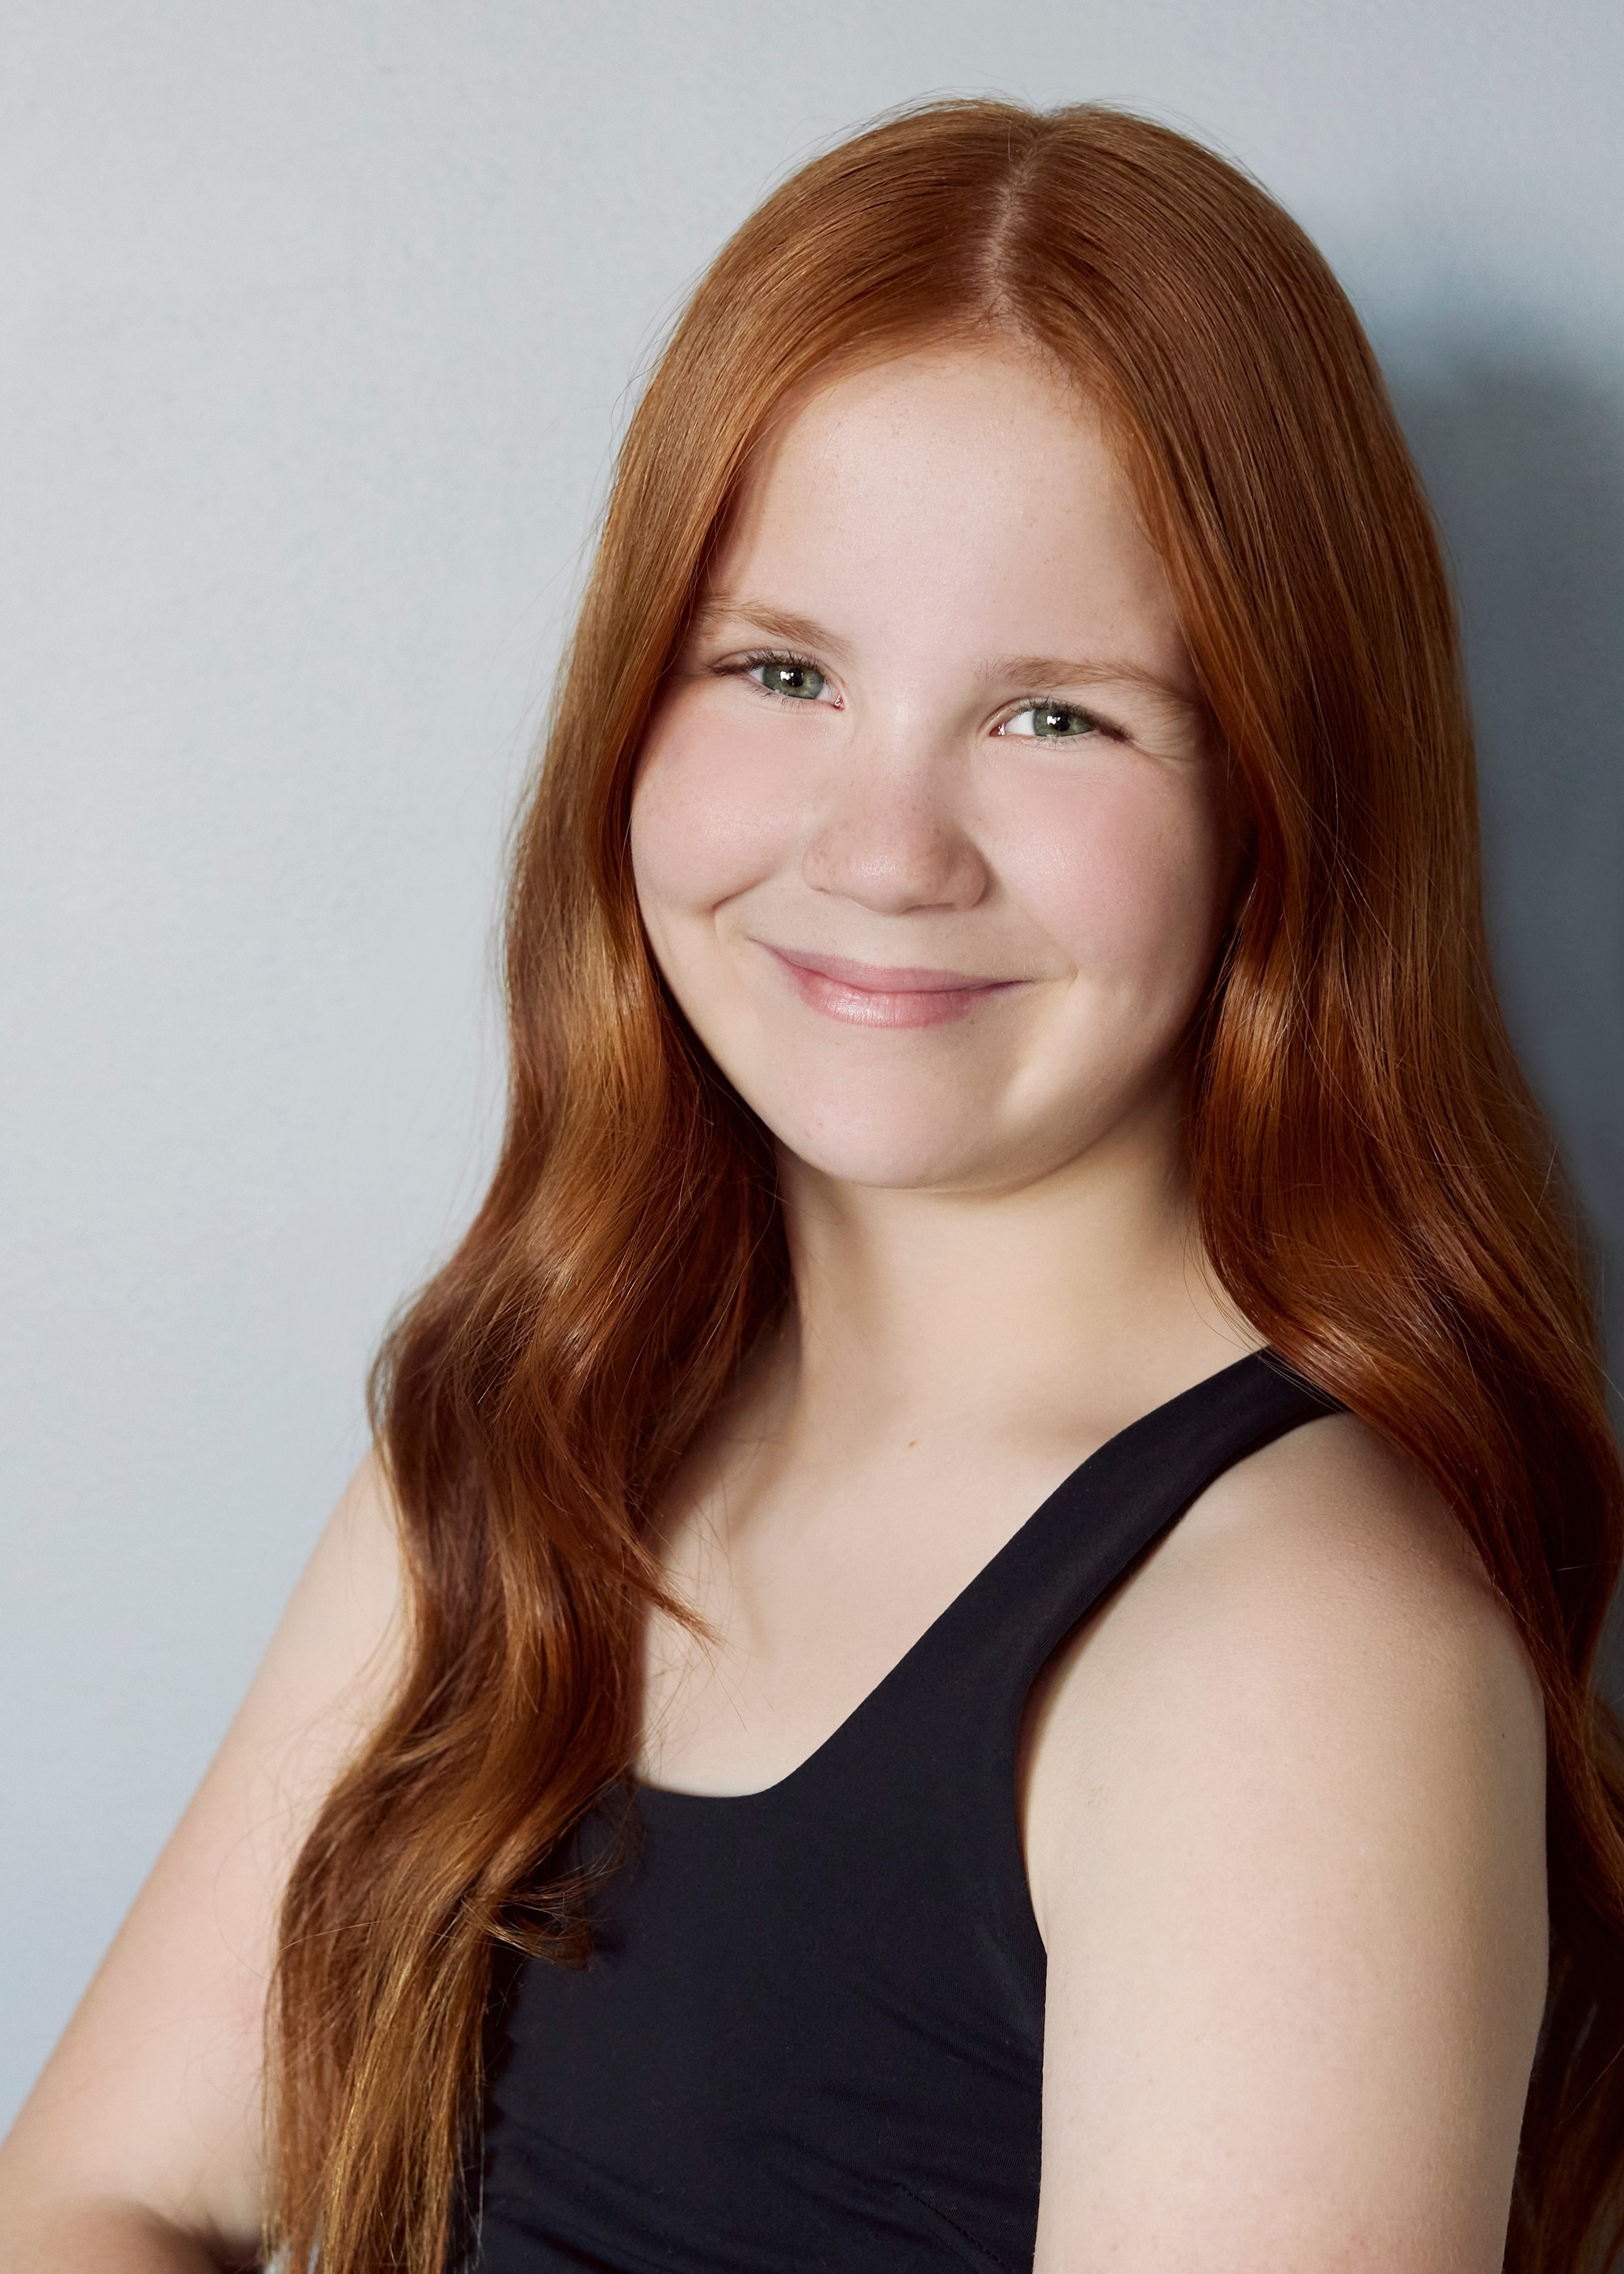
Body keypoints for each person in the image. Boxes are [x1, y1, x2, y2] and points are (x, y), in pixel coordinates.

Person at [2, 96, 1621, 2274]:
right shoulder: (540, 1412)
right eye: (780, 671)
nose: (883, 850)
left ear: (1284, 804)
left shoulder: (1297, 1656)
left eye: (1057, 719)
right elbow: (104, 2198)